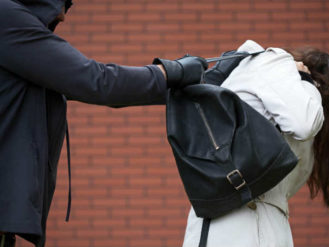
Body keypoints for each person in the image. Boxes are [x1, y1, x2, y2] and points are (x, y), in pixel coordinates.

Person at [0, 0, 208, 246]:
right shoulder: (5, 17)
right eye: (64, 3)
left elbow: (97, 85)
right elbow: (96, 81)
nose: (64, 17)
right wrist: (173, 72)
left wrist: (194, 87)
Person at [182, 40, 329, 247]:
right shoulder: (275, 63)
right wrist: (307, 80)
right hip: (234, 219)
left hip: (263, 221)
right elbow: (304, 123)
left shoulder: (289, 100)